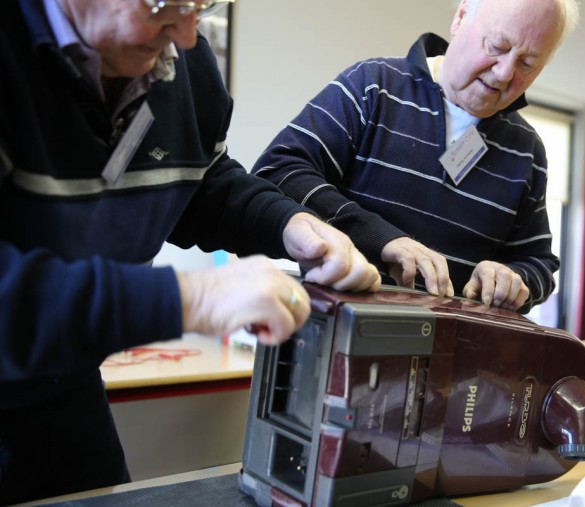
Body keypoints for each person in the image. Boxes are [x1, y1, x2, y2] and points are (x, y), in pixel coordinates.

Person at [0, 0, 381, 504]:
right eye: (165, 4)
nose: (184, 35)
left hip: (63, 385)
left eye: (202, 5)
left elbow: (204, 184)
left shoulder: (186, 62)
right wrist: (192, 300)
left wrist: (289, 223)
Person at [255, 0, 579, 313]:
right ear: (461, 17)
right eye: (497, 45)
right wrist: (382, 238)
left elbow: (539, 263)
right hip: (335, 338)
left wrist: (515, 280)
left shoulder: (527, 148)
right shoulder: (374, 85)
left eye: (527, 63)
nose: (505, 73)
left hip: (456, 356)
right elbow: (278, 172)